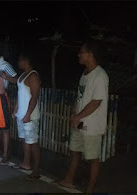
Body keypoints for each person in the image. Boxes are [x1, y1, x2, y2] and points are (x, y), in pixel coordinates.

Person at [55, 40, 109, 193]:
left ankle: (89, 190)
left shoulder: (100, 75)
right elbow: (79, 96)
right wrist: (74, 113)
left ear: (91, 54)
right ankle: (68, 180)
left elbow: (96, 102)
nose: (79, 54)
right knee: (74, 151)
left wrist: (78, 116)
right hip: (79, 121)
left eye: (82, 52)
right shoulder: (85, 73)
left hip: (92, 125)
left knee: (92, 158)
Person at [12, 52, 41, 180]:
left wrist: (28, 114)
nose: (18, 63)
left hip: (30, 116)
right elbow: (20, 94)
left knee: (33, 142)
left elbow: (34, 97)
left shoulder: (33, 76)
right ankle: (26, 163)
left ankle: (36, 171)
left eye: (20, 60)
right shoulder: (23, 75)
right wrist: (15, 109)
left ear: (25, 60)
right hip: (22, 114)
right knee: (24, 140)